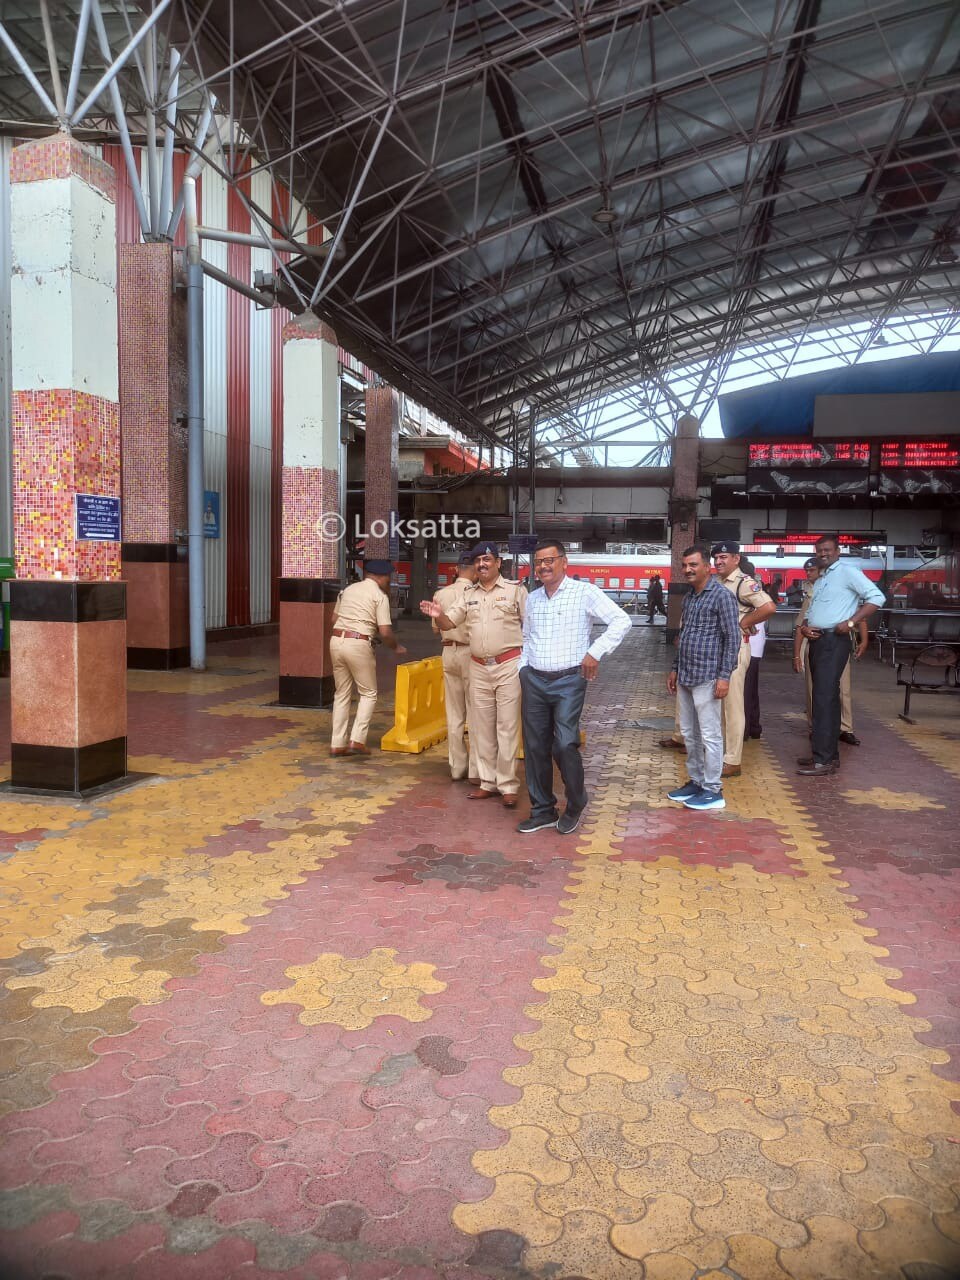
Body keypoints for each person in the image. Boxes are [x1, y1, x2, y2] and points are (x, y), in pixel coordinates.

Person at [517, 539, 631, 835]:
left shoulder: (585, 593)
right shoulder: (534, 599)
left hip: (569, 680)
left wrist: (595, 652)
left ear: (564, 562)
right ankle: (542, 810)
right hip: (535, 680)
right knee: (535, 746)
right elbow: (527, 637)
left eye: (549, 560)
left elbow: (621, 620)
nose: (543, 566)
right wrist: (523, 670)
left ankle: (576, 801)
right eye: (538, 561)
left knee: (565, 743)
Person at [420, 541, 527, 808]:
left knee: (507, 726)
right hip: (477, 666)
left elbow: (531, 628)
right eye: (479, 560)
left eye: (488, 559)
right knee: (481, 728)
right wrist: (438, 614)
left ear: (498, 563)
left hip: (508, 666)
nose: (482, 564)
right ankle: (488, 783)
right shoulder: (468, 594)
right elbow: (449, 622)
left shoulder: (516, 592)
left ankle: (508, 784)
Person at [796, 534, 884, 775]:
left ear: (837, 551)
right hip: (819, 639)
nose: (822, 553)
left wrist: (852, 622)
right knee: (828, 698)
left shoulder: (847, 571)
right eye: (819, 550)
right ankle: (827, 754)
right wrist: (805, 627)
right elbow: (815, 611)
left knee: (824, 698)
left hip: (834, 641)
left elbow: (877, 597)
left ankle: (822, 761)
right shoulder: (824, 577)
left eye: (827, 550)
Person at [665, 544, 741, 811]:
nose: (687, 570)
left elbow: (733, 638)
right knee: (689, 733)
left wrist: (724, 677)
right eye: (685, 565)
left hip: (708, 675)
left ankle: (713, 789)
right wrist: (675, 667)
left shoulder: (722, 596)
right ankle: (696, 781)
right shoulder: (690, 597)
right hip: (686, 673)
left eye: (693, 565)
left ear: (707, 567)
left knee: (709, 735)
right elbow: (683, 636)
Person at [711, 542, 776, 778]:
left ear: (736, 559)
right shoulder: (717, 582)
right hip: (718, 648)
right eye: (716, 558)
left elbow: (769, 607)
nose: (718, 562)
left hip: (736, 648)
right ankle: (721, 754)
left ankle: (733, 760)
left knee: (733, 704)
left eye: (723, 557)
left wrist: (744, 623)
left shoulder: (744, 583)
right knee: (718, 704)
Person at [330, 559, 407, 756]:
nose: (389, 580)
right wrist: (396, 647)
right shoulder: (378, 596)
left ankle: (337, 743)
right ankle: (357, 741)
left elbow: (333, 619)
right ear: (380, 577)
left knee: (342, 694)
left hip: (336, 641)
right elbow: (385, 631)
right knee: (368, 693)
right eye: (388, 576)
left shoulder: (347, 590)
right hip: (358, 643)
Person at [793, 557, 865, 746]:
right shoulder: (812, 594)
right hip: (816, 645)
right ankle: (815, 727)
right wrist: (796, 655)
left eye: (812, 571)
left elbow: (861, 616)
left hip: (839, 645)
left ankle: (845, 728)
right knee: (814, 689)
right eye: (806, 571)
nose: (808, 575)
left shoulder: (841, 591)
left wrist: (863, 640)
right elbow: (801, 625)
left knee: (844, 688)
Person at [432, 550, 480, 783]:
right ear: (472, 569)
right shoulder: (476, 593)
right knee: (475, 711)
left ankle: (456, 767)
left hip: (447, 651)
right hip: (471, 653)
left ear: (457, 569)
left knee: (454, 712)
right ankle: (475, 769)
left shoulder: (440, 594)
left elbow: (435, 628)